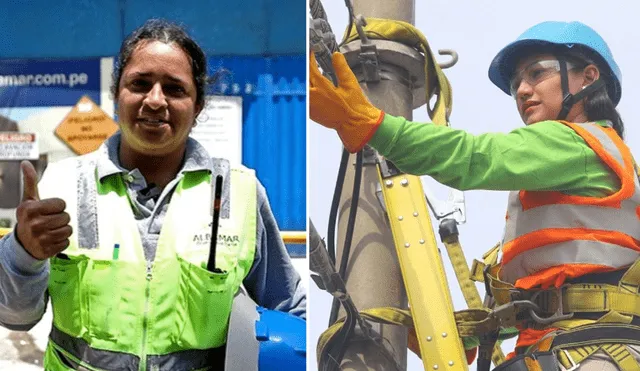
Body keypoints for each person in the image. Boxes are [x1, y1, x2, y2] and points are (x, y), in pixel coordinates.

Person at [310, 21, 640, 370]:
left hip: (591, 351)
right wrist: (463, 334)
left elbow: (473, 157)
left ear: (587, 78)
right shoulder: (571, 188)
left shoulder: (579, 144)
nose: (523, 91)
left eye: (536, 74)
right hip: (562, 348)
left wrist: (369, 123)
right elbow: (538, 298)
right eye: (516, 84)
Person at [0, 19, 305, 370]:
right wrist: (24, 253)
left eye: (175, 89)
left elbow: (291, 309)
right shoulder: (60, 185)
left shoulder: (240, 191)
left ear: (198, 105)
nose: (155, 100)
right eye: (140, 84)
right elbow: (14, 318)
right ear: (117, 95)